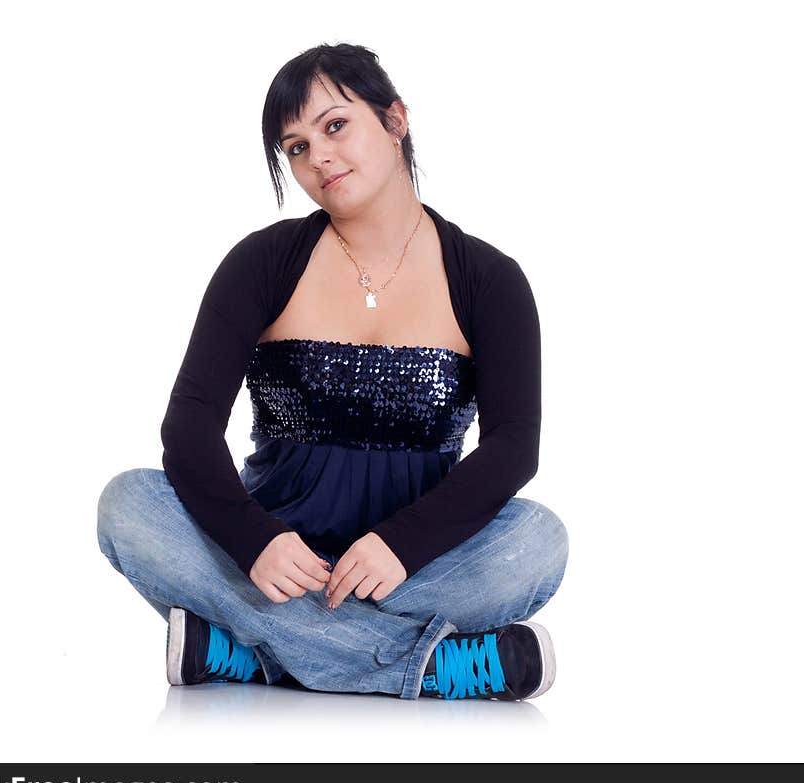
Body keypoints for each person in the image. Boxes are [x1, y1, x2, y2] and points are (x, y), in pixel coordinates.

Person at [96, 43, 569, 702]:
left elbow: (515, 445)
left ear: (396, 120)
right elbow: (189, 427)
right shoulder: (261, 262)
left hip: (412, 567)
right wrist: (254, 540)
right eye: (293, 146)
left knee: (539, 539)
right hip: (273, 564)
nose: (316, 156)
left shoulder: (489, 279)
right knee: (128, 506)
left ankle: (258, 653)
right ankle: (427, 667)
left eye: (335, 125)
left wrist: (401, 546)